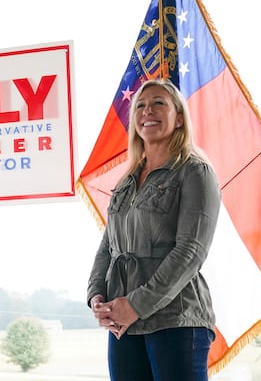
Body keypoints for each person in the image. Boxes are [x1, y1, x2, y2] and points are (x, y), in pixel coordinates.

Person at [87, 79, 221, 381]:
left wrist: (136, 305)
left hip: (177, 320)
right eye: (141, 106)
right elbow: (108, 246)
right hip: (124, 324)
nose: (149, 110)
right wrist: (96, 294)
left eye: (159, 103)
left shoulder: (195, 171)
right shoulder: (126, 181)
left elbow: (191, 252)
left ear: (179, 117)